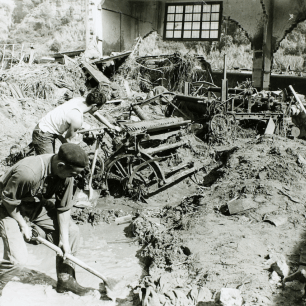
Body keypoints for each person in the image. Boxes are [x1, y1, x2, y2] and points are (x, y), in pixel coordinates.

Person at [0, 143, 93, 296]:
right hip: (6, 209)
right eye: (73, 174)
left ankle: (66, 280)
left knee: (72, 232)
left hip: (33, 206)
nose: (74, 177)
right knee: (18, 260)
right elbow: (9, 201)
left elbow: (63, 207)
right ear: (61, 166)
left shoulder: (67, 174)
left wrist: (64, 240)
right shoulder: (28, 173)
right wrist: (23, 225)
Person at [32, 89, 121, 155]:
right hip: (44, 134)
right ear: (94, 106)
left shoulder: (79, 100)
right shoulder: (77, 118)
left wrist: (111, 126)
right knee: (50, 165)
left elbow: (95, 113)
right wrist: (79, 152)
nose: (98, 110)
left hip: (46, 124)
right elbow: (67, 141)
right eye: (99, 107)